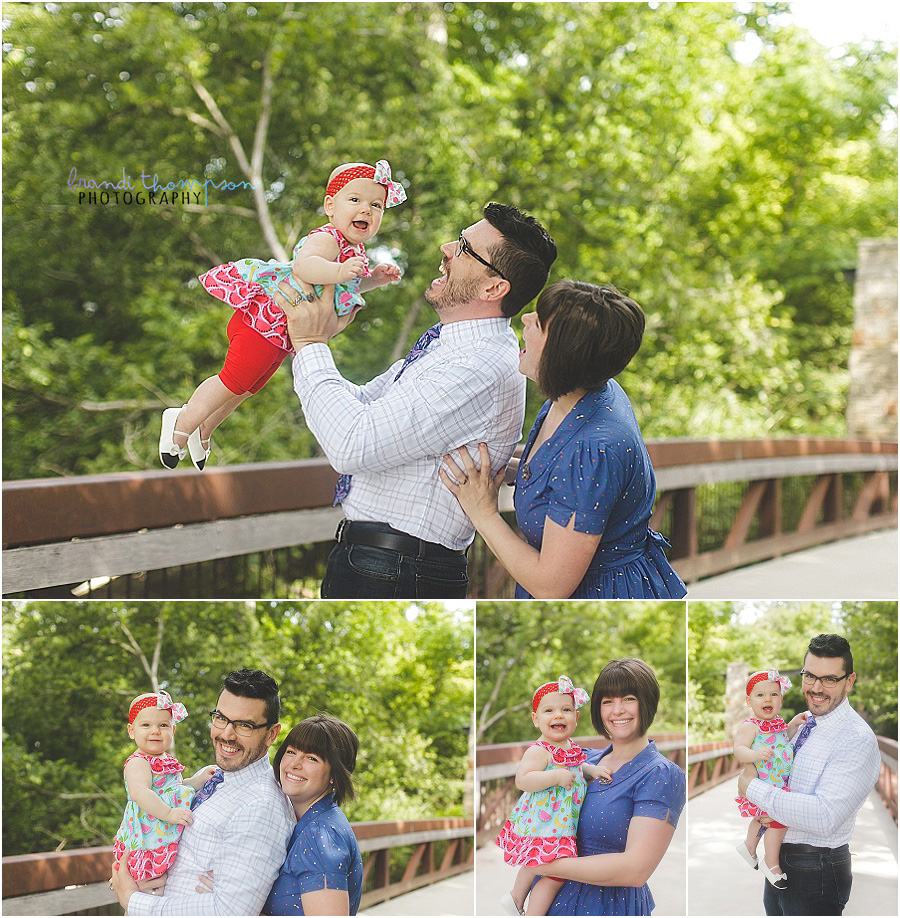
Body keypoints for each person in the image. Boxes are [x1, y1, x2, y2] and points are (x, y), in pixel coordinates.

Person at [277, 201, 557, 599]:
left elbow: (350, 443)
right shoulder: (449, 346)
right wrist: (306, 343)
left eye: (463, 247)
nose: (445, 248)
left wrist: (310, 345)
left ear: (493, 287)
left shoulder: (475, 364)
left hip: (395, 570)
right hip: (386, 563)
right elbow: (359, 406)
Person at [440, 279, 687, 599]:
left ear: (561, 355)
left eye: (539, 322)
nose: (526, 318)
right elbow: (559, 474)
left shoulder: (592, 450)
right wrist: (504, 467)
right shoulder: (585, 394)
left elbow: (550, 584)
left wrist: (483, 513)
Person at [158, 160, 406, 470]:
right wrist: (341, 269)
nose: (366, 210)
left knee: (248, 387)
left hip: (282, 335)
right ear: (330, 206)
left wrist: (374, 280)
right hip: (265, 323)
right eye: (355, 200)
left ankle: (203, 430)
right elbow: (306, 266)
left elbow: (347, 286)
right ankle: (180, 422)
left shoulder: (353, 252)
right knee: (233, 380)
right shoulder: (327, 239)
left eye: (376, 205)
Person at [112, 668, 295, 915]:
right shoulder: (216, 778)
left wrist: (133, 900)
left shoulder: (260, 805)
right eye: (221, 718)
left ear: (271, 734)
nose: (227, 734)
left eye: (245, 725)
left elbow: (229, 911)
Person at [526, 658, 686, 916]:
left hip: (608, 907)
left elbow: (635, 870)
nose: (617, 710)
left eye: (629, 699)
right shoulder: (583, 761)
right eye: (607, 701)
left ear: (647, 703)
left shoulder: (661, 775)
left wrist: (543, 864)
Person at [737, 634, 881, 916]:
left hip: (817, 869)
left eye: (829, 679)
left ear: (849, 681)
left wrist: (752, 789)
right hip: (781, 858)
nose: (816, 688)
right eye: (810, 676)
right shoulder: (805, 722)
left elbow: (825, 816)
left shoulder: (856, 739)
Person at [496, 676, 611, 917]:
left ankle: (515, 898)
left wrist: (592, 770)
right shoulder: (539, 750)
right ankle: (525, 907)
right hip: (544, 822)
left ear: (576, 718)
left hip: (560, 822)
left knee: (540, 864)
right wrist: (555, 777)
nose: (558, 715)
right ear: (536, 719)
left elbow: (577, 768)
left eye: (566, 710)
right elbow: (523, 780)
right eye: (549, 710)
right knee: (553, 873)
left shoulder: (569, 746)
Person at [262, 714, 363, 915]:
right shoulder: (308, 822)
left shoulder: (320, 835)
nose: (294, 764)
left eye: (311, 758)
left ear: (335, 774)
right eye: (291, 752)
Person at [112, 690, 216, 883]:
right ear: (131, 731)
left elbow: (173, 789)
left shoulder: (167, 760)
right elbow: (140, 793)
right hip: (147, 836)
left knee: (162, 885)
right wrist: (169, 814)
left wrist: (198, 780)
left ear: (173, 731)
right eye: (146, 725)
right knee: (145, 885)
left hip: (163, 829)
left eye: (163, 725)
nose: (155, 731)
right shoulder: (138, 762)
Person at [733, 670, 807, 889]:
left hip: (777, 784)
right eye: (760, 695)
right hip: (762, 782)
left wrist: (793, 724)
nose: (768, 699)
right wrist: (754, 755)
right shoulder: (751, 726)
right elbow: (738, 749)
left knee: (764, 820)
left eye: (774, 694)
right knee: (776, 822)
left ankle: (748, 847)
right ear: (749, 701)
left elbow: (785, 738)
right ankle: (771, 863)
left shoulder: (777, 724)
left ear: (780, 699)